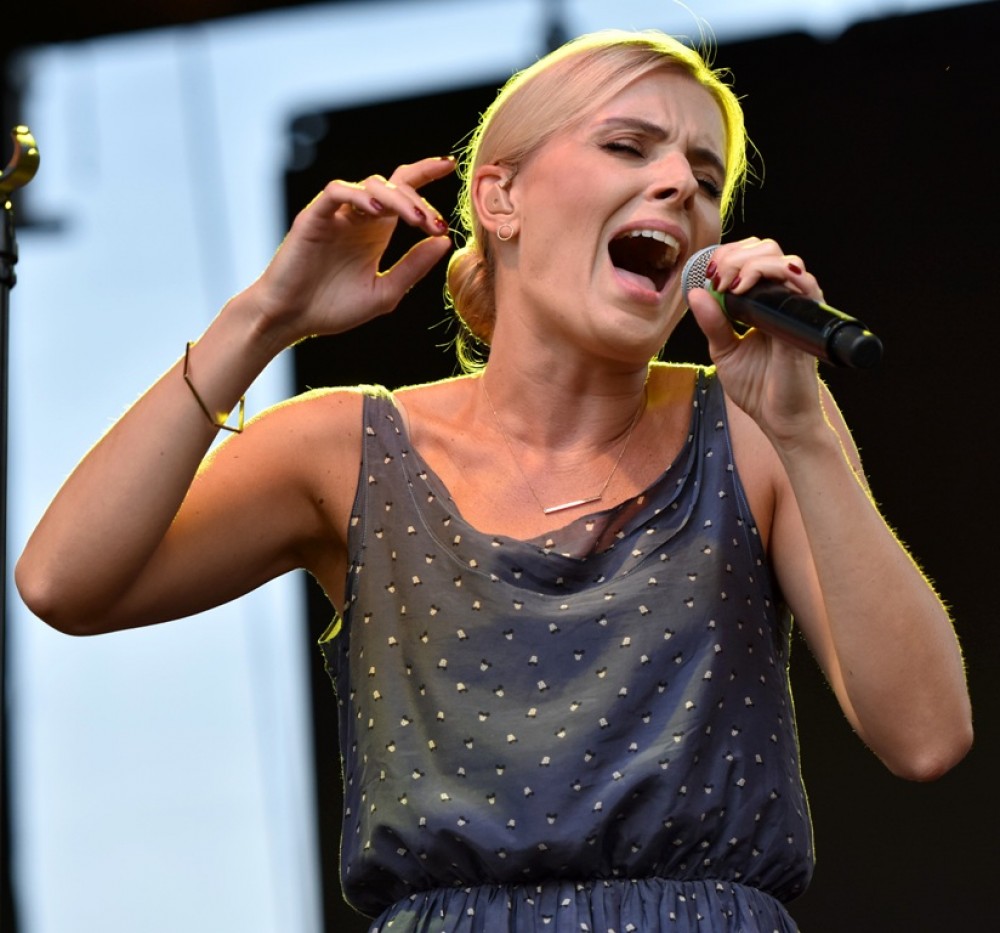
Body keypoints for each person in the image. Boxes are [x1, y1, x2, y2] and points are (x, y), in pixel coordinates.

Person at [16, 28, 971, 933]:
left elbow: (926, 735)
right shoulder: (343, 445)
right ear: (500, 198)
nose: (681, 183)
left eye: (706, 176)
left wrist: (804, 435)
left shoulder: (757, 426)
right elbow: (64, 581)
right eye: (628, 146)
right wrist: (264, 316)